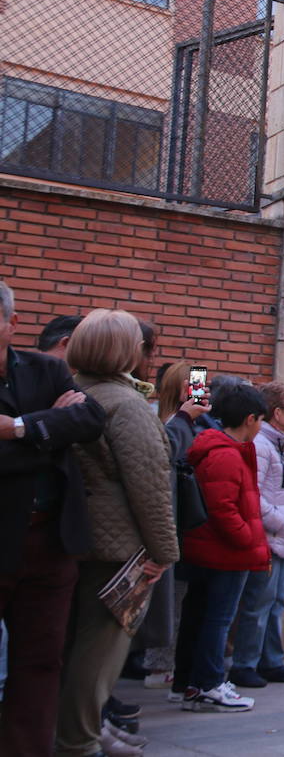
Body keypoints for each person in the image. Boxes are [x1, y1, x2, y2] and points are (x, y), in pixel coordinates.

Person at [47, 310, 173, 757]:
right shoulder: (127, 405)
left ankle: (76, 734)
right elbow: (150, 487)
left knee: (71, 646)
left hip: (71, 541)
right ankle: (79, 741)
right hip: (120, 549)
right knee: (99, 655)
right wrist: (163, 552)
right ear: (126, 351)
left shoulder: (68, 393)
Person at [0, 281, 106, 756]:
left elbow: (90, 421)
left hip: (51, 541)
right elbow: (65, 430)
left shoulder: (45, 369)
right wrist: (49, 432)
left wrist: (20, 428)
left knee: (41, 660)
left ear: (11, 323)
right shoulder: (52, 385)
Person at [176, 383, 271, 711]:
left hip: (213, 550)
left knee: (202, 616)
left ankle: (192, 682)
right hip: (226, 554)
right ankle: (208, 683)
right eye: (261, 420)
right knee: (217, 619)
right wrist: (247, 540)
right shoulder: (226, 455)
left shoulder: (217, 448)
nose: (261, 427)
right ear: (249, 419)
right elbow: (224, 510)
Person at [229, 383, 284, 688]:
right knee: (258, 604)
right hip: (268, 537)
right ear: (276, 413)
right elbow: (255, 494)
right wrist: (283, 524)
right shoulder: (262, 445)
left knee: (276, 601)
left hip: (282, 539)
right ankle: (245, 664)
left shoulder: (282, 444)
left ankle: (271, 660)